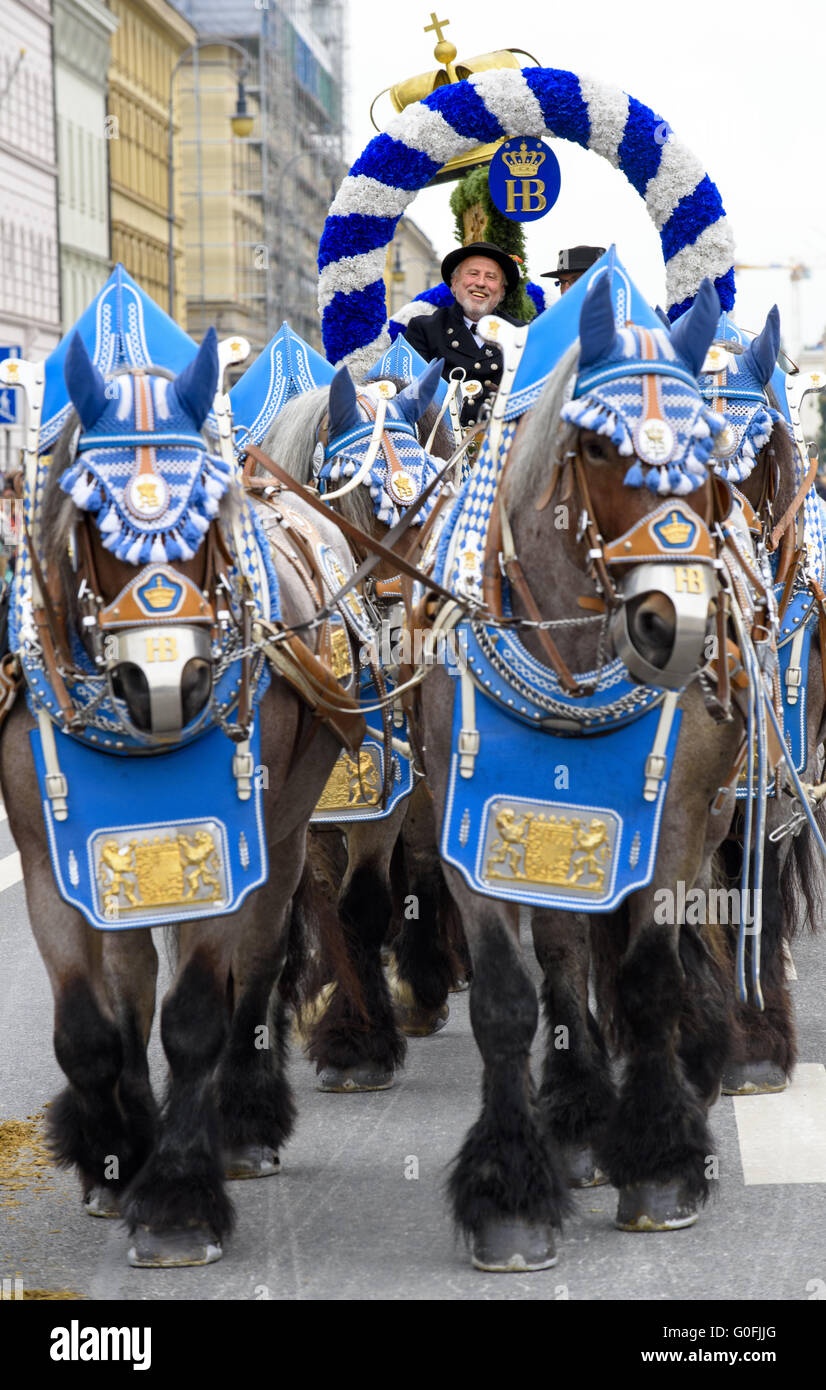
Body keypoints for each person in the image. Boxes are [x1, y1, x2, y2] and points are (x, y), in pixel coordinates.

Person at [403, 241, 526, 423]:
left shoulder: (521, 334)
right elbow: (410, 396)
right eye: (473, 274)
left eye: (491, 277)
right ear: (454, 283)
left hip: (499, 443)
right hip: (438, 445)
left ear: (501, 291)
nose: (481, 283)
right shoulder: (424, 329)